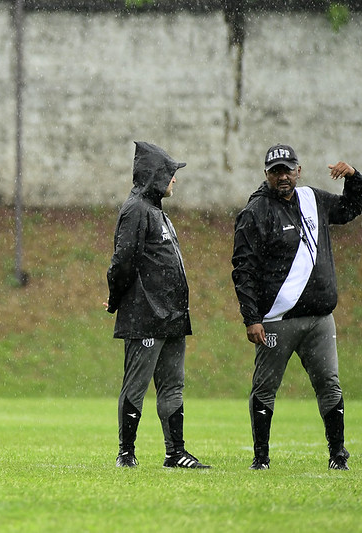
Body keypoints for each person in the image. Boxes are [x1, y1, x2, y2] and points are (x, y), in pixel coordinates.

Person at [231, 144, 362, 471]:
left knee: (329, 385)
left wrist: (355, 178)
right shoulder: (255, 212)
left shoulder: (312, 199)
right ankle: (260, 459)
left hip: (320, 320)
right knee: (265, 388)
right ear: (266, 175)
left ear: (298, 170)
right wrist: (251, 318)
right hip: (277, 321)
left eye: (288, 169)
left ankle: (338, 456)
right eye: (276, 171)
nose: (283, 176)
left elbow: (349, 209)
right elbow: (243, 269)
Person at [105, 141, 210, 469]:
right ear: (154, 176)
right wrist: (116, 297)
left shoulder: (154, 211)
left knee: (173, 385)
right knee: (136, 385)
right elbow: (123, 261)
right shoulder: (135, 210)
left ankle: (175, 452)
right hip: (146, 316)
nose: (174, 180)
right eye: (169, 174)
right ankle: (127, 453)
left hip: (172, 317)